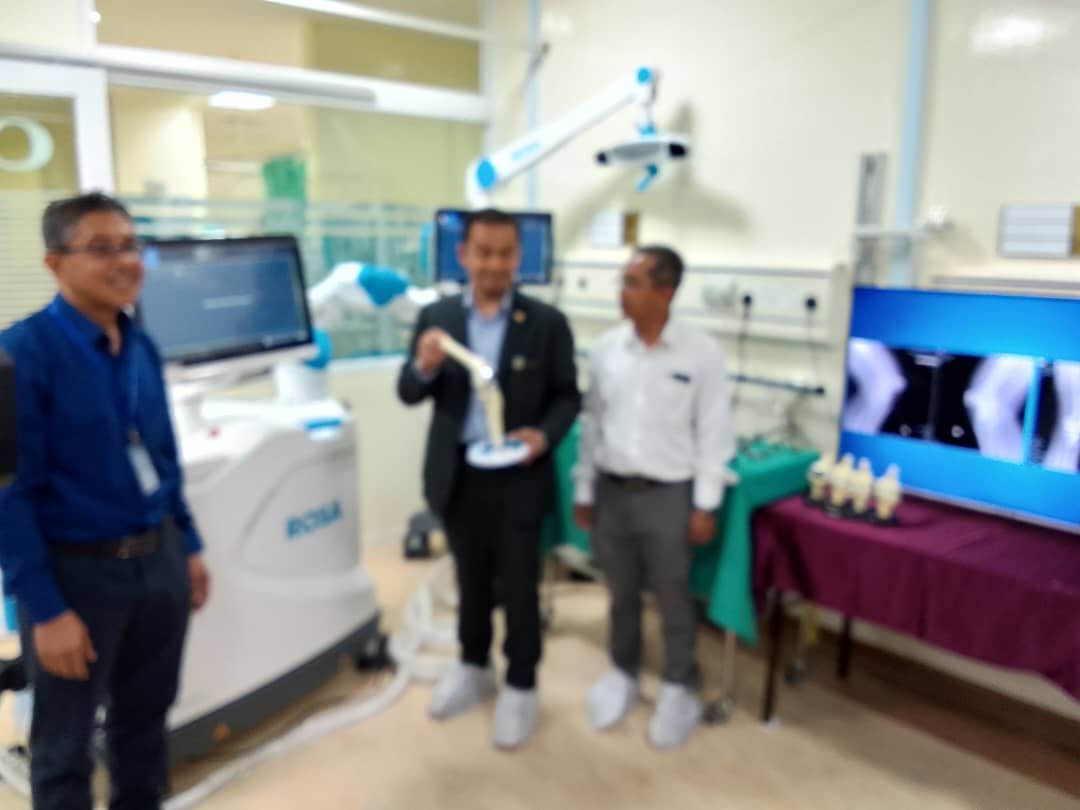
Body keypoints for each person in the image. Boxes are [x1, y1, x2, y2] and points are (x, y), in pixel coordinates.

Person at [0, 192, 210, 809]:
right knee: (64, 748)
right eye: (101, 248)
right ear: (54, 263)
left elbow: (163, 457)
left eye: (130, 245)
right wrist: (46, 611)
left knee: (145, 726)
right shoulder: (19, 356)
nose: (124, 261)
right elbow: (8, 496)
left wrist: (188, 545)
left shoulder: (140, 344)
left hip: (159, 563)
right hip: (77, 578)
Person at [397, 208, 580, 750]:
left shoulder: (546, 323)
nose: (494, 264)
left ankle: (521, 683)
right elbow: (409, 392)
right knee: (470, 580)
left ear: (518, 257)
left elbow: (568, 397)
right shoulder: (437, 319)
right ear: (464, 256)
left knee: (519, 587)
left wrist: (542, 436)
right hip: (458, 474)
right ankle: (474, 665)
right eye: (483, 252)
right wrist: (424, 366)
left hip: (520, 475)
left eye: (505, 253)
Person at [572, 245, 734, 749]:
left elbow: (714, 432)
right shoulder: (607, 350)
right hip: (613, 490)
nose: (621, 293)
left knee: (672, 595)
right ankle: (622, 671)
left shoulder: (701, 354)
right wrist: (584, 488)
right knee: (620, 592)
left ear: (666, 291)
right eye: (622, 282)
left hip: (669, 494)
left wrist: (705, 504)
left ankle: (678, 684)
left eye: (633, 283)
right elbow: (592, 425)